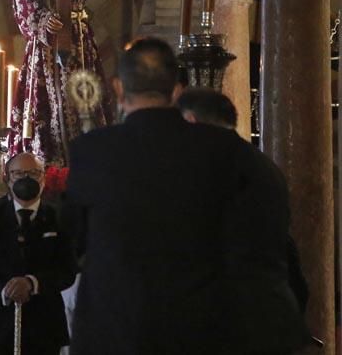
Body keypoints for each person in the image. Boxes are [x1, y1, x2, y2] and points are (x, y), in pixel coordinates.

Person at [67, 38, 309, 354]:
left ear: (118, 89)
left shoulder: (91, 150)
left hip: (114, 330)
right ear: (176, 91)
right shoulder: (222, 150)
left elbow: (74, 239)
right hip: (198, 331)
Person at [176, 87, 312, 347]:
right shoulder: (264, 165)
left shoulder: (204, 168)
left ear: (190, 120)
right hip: (271, 314)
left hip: (224, 322)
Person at [3, 0, 112, 165]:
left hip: (76, 34)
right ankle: (48, 161)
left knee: (82, 96)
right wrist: (42, 20)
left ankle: (89, 153)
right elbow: (23, 4)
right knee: (45, 106)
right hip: (44, 46)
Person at [0, 152, 75, 355]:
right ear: (7, 179)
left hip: (45, 326)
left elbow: (67, 269)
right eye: (19, 174)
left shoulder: (58, 218)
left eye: (33, 173)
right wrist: (4, 291)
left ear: (43, 178)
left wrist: (32, 283)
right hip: (0, 325)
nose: (26, 180)